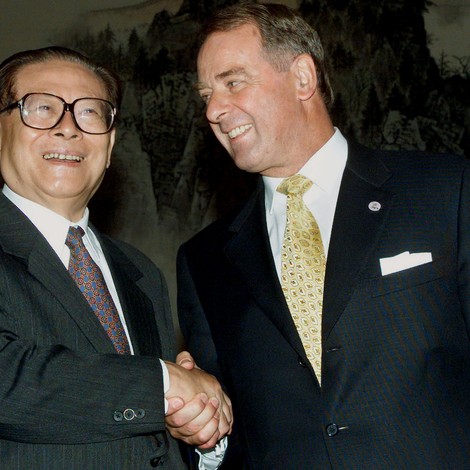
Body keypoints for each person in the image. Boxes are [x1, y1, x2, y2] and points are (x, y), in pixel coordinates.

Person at [0, 46, 232, 469]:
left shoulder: (140, 273)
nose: (68, 129)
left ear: (109, 145)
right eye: (42, 109)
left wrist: (201, 428)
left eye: (90, 112)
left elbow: (142, 427)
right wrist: (166, 382)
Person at [177, 3, 470, 469]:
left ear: (302, 78)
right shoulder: (204, 260)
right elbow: (227, 433)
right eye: (206, 94)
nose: (213, 109)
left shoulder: (445, 192)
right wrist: (203, 432)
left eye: (232, 82)